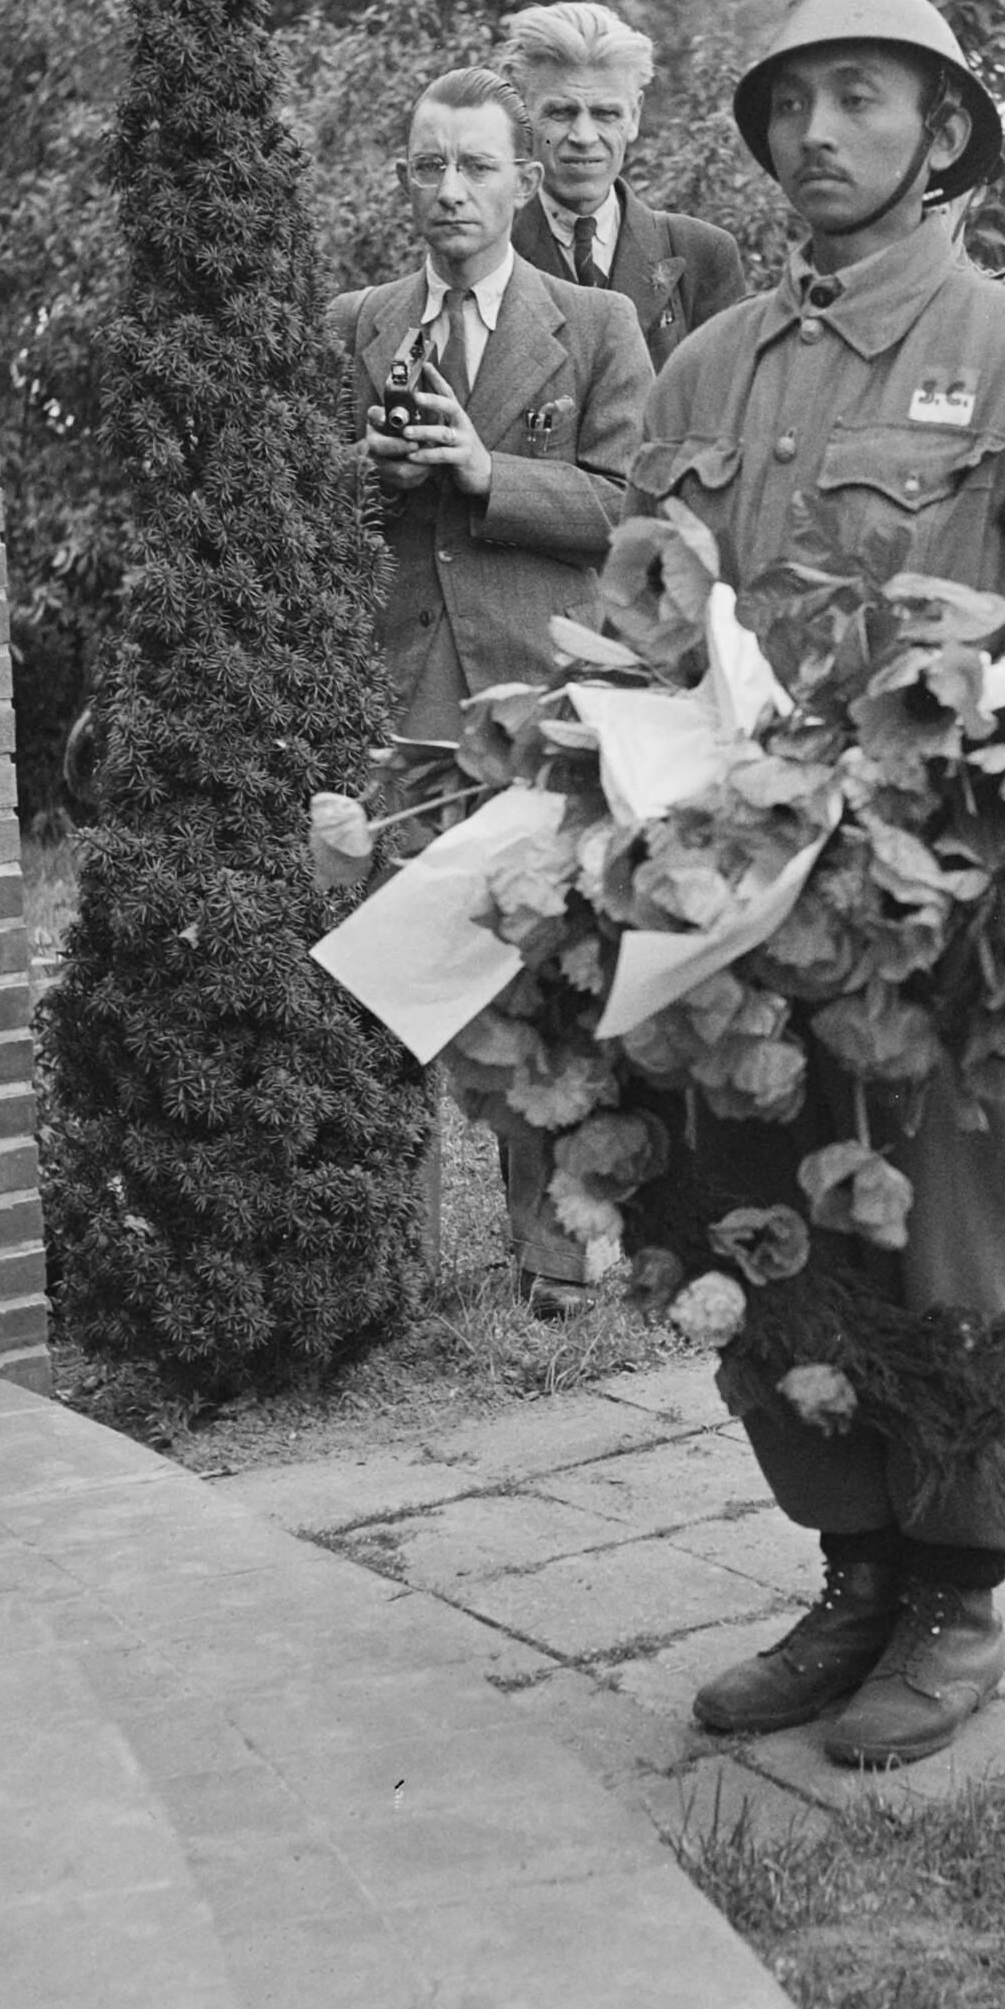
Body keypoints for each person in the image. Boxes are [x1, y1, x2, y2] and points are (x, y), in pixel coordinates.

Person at [629, 0, 1005, 1770]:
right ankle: (851, 1563)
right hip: (730, 906)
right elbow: (648, 617)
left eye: (860, 99)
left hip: (933, 905)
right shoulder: (709, 368)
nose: (815, 136)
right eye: (791, 104)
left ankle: (955, 1589)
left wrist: (989, 673)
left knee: (939, 1236)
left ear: (940, 134)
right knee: (759, 1228)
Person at [323, 66, 652, 1312]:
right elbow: (301, 513)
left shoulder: (596, 324)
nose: (448, 191)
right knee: (387, 973)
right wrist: (360, 468)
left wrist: (484, 469)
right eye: (426, 166)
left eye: (473, 166)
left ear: (522, 181)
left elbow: (633, 509)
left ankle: (559, 1254)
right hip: (398, 696)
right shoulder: (356, 324)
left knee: (538, 979)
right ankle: (387, 1257)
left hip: (537, 710)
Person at [502, 0, 749, 367]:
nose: (584, 136)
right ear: (521, 116)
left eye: (606, 114)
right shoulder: (490, 250)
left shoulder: (702, 255)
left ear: (634, 116)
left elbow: (726, 412)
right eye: (561, 112)